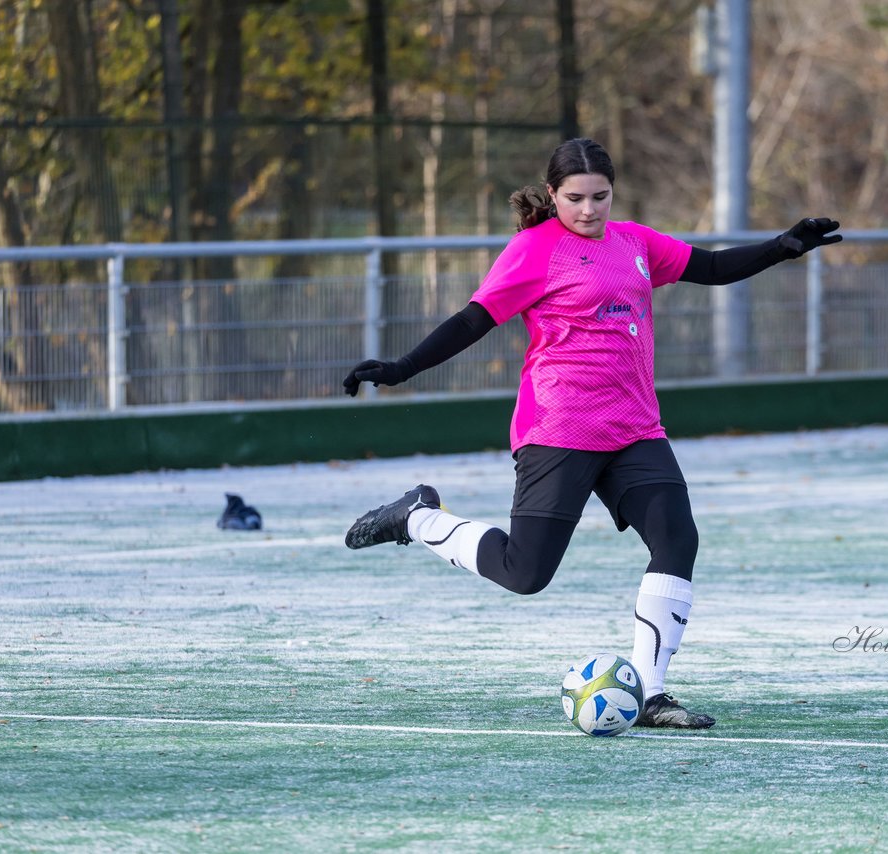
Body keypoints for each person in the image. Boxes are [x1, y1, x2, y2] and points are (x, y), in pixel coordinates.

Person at [342, 138, 841, 729]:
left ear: (613, 192)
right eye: (574, 198)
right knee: (525, 575)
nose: (588, 210)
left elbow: (708, 267)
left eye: (599, 197)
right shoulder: (534, 250)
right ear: (552, 195)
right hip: (559, 428)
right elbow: (474, 319)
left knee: (677, 542)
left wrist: (783, 246)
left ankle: (651, 693)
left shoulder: (633, 241)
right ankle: (418, 518)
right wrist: (401, 368)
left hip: (634, 428)